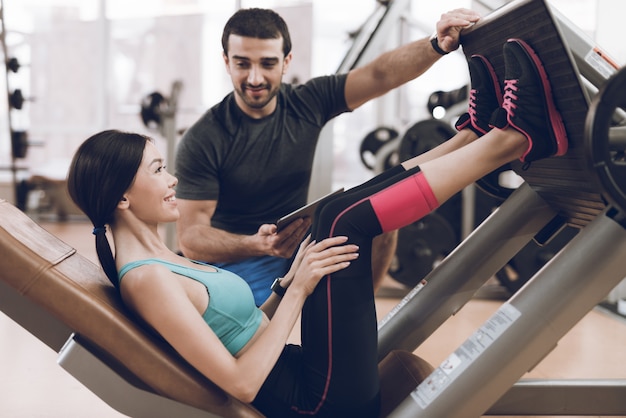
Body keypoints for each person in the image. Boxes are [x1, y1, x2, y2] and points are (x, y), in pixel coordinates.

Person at [67, 38, 568, 418]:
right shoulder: (147, 278)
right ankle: (510, 141)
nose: (173, 178)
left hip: (309, 381)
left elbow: (236, 330)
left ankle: (475, 138)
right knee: (341, 221)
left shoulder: (161, 261)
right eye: (158, 171)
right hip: (316, 404)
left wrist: (285, 285)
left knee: (330, 214)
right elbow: (240, 384)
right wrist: (300, 291)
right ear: (122, 197)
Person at [174, 7, 483, 305]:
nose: (255, 78)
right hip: (237, 259)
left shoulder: (307, 102)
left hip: (299, 245)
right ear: (227, 62)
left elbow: (379, 75)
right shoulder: (204, 137)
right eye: (242, 64)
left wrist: (435, 45)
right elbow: (190, 238)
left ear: (286, 61)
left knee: (381, 218)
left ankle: (358, 317)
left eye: (267, 64)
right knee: (252, 326)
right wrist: (258, 244)